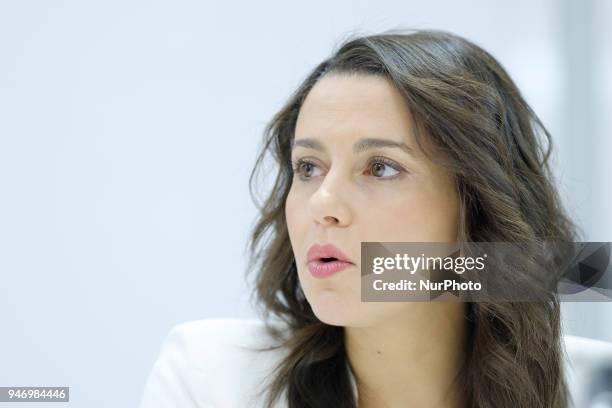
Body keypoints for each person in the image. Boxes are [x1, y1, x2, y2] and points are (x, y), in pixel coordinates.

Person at [139, 29, 582, 408]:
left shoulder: (594, 383)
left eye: (380, 167)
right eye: (308, 167)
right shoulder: (209, 378)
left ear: (479, 203)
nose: (322, 204)